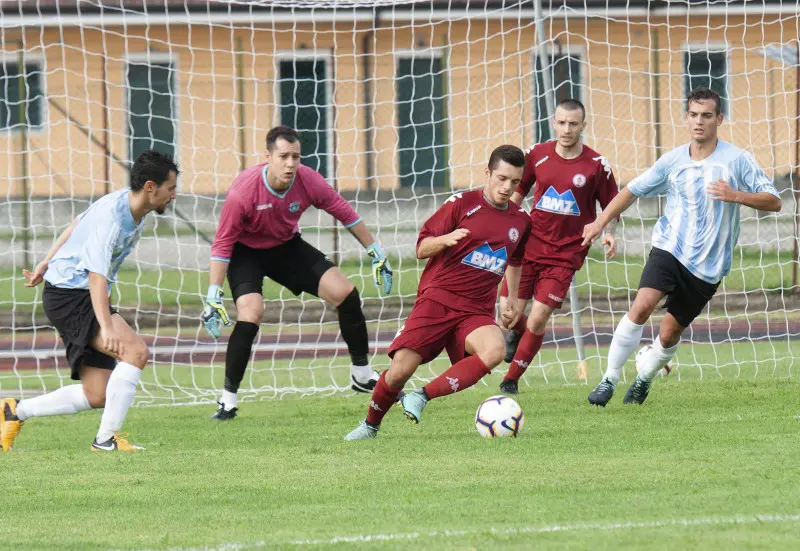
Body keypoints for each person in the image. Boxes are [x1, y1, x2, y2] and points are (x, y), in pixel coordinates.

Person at [583, 87, 782, 406]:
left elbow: (775, 202)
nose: (699, 122)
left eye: (706, 115)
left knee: (668, 334)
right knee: (642, 306)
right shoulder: (672, 161)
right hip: (669, 249)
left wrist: (736, 195)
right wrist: (599, 222)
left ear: (719, 119)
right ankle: (609, 378)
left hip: (709, 264)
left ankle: (643, 380)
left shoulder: (738, 160)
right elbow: (631, 191)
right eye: (693, 115)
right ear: (686, 118)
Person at [202, 125, 393, 420]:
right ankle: (228, 400)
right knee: (251, 312)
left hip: (285, 248)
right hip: (246, 253)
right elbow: (223, 242)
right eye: (283, 156)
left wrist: (375, 250)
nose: (291, 163)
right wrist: (213, 292)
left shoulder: (308, 180)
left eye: (296, 156)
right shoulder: (242, 191)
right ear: (267, 156)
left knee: (346, 293)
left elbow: (343, 211)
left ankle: (361, 373)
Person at [344, 145, 531, 441]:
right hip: (437, 300)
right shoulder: (461, 204)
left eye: (515, 182)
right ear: (487, 173)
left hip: (476, 310)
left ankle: (421, 396)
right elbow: (421, 248)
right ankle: (370, 425)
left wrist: (511, 300)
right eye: (501, 178)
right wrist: (446, 240)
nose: (507, 187)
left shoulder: (521, 220)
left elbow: (516, 259)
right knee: (399, 371)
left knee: (495, 350)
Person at [0, 150, 179, 452]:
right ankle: (105, 440)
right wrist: (106, 326)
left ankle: (14, 411)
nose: (173, 195)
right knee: (135, 353)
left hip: (73, 293)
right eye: (171, 188)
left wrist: (46, 261)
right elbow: (97, 275)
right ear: (151, 187)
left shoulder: (126, 204)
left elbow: (76, 223)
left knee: (98, 394)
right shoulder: (113, 217)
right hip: (71, 296)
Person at [497, 98, 619, 395]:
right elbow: (517, 191)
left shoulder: (596, 165)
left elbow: (612, 205)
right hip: (528, 247)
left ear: (583, 126)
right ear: (554, 122)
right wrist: (508, 225)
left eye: (573, 124)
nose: (566, 129)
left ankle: (510, 379)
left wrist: (608, 231)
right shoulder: (536, 155)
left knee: (538, 318)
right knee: (507, 314)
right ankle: (517, 333)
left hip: (566, 254)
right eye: (561, 122)